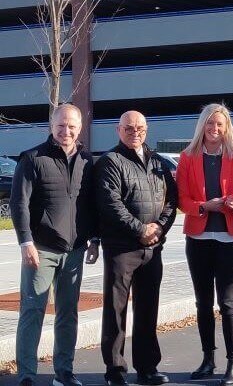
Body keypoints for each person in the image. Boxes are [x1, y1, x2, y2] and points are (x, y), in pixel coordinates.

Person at [10, 104, 98, 386]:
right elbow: (19, 203)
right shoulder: (33, 158)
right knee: (32, 310)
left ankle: (64, 372)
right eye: (61, 125)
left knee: (67, 313)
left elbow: (91, 205)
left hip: (74, 250)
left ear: (79, 127)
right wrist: (26, 242)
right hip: (41, 249)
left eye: (72, 126)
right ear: (51, 125)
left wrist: (94, 239)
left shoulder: (86, 159)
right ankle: (26, 374)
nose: (66, 131)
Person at [96, 111, 178, 386]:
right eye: (129, 128)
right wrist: (139, 230)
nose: (135, 132)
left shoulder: (157, 163)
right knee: (116, 311)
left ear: (147, 129)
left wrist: (158, 229)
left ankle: (147, 368)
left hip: (152, 249)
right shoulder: (111, 161)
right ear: (118, 130)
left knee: (147, 310)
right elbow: (110, 204)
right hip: (122, 249)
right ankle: (116, 371)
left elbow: (171, 200)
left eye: (140, 128)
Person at [176, 104, 233, 385]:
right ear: (202, 126)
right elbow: (182, 200)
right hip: (198, 238)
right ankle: (208, 359)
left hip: (229, 237)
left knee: (227, 301)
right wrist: (203, 206)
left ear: (227, 127)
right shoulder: (187, 158)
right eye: (210, 124)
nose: (214, 129)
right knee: (203, 302)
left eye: (219, 124)